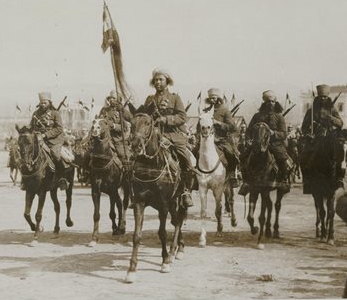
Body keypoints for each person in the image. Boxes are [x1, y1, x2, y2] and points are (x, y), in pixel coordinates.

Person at [138, 68, 195, 208]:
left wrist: (166, 119)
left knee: (186, 159)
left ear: (167, 81)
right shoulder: (149, 99)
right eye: (156, 80)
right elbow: (142, 116)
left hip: (172, 135)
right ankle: (138, 190)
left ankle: (185, 191)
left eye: (160, 79)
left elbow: (183, 117)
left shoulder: (175, 98)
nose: (158, 82)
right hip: (153, 136)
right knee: (136, 159)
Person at [301, 84, 345, 184]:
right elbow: (304, 127)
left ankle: (339, 177)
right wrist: (308, 133)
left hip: (330, 137)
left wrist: (332, 118)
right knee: (304, 156)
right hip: (315, 138)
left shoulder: (332, 109)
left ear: (328, 97)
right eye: (321, 97)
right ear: (317, 97)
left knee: (339, 152)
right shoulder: (311, 111)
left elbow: (341, 123)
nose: (323, 99)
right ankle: (307, 178)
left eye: (325, 97)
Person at [246, 90, 289, 189]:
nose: (270, 104)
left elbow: (284, 134)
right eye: (268, 101)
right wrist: (248, 140)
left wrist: (274, 133)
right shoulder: (257, 116)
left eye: (273, 101)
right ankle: (246, 181)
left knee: (282, 158)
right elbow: (249, 130)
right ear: (264, 102)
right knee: (244, 157)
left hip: (275, 144)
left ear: (275, 102)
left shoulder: (279, 117)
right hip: (258, 144)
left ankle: (284, 180)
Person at [28, 91, 68, 191]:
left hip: (54, 140)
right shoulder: (35, 113)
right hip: (38, 140)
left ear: (49, 102)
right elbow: (31, 126)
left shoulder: (55, 113)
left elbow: (59, 129)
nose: (43, 104)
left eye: (45, 102)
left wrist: (45, 135)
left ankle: (62, 178)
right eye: (41, 102)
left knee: (55, 154)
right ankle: (27, 179)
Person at [203, 87, 240, 186]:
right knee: (194, 151)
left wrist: (218, 123)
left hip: (221, 140)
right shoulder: (205, 111)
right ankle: (194, 177)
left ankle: (231, 175)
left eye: (214, 98)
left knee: (231, 154)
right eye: (210, 98)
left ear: (219, 99)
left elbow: (232, 127)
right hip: (207, 139)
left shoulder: (225, 111)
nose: (212, 100)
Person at [97, 90, 133, 162]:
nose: (111, 100)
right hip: (103, 139)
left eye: (113, 98)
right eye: (110, 98)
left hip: (116, 140)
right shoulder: (104, 110)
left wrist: (113, 126)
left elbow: (125, 128)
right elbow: (99, 121)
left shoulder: (122, 111)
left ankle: (126, 172)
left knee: (124, 156)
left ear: (118, 99)